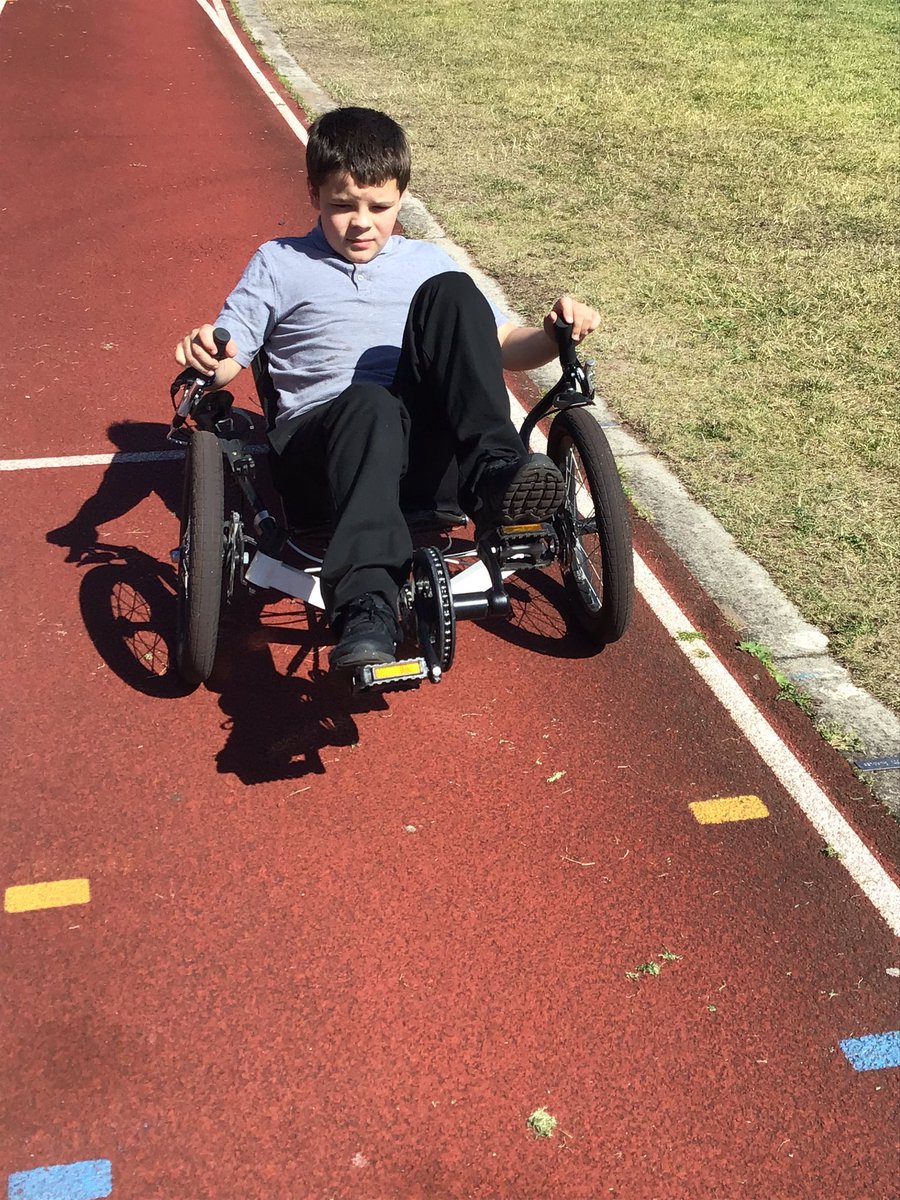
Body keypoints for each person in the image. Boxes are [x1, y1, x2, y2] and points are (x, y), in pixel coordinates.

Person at [175, 107, 600, 672]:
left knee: (450, 292)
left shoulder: (425, 261)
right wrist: (209, 351)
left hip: (423, 458)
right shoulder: (279, 263)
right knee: (370, 403)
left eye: (380, 207)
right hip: (322, 455)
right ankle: (367, 606)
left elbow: (501, 342)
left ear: (402, 196)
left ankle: (495, 475)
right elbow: (232, 355)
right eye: (342, 206)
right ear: (313, 193)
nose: (361, 224)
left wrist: (554, 332)